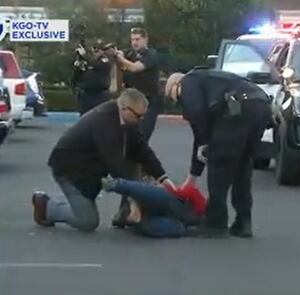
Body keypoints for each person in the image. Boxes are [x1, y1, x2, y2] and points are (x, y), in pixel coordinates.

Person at [31, 88, 175, 232]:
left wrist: (163, 178)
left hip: (92, 168)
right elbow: (116, 166)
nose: (141, 120)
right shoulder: (104, 121)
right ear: (125, 109)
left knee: (135, 165)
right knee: (87, 221)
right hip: (69, 170)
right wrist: (134, 200)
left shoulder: (127, 119)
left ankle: (124, 215)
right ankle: (46, 206)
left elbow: (142, 150)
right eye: (139, 116)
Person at [165, 69, 272, 238]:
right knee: (242, 166)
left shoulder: (188, 81)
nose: (180, 104)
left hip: (236, 109)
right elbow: (200, 138)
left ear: (175, 86)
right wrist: (194, 175)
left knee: (219, 164)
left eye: (177, 99)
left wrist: (206, 143)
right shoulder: (211, 79)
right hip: (261, 104)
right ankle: (243, 221)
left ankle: (216, 222)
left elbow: (197, 116)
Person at [101, 175, 207, 238]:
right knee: (171, 228)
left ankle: (118, 185)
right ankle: (138, 220)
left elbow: (189, 192)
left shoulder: (202, 204)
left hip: (174, 206)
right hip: (179, 217)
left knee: (159, 197)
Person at [115, 27, 161, 142]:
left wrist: (120, 58)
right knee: (128, 135)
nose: (134, 42)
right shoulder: (131, 53)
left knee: (142, 135)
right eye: (132, 40)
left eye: (137, 39)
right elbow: (121, 53)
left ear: (145, 40)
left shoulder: (150, 55)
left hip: (148, 101)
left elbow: (135, 68)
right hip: (132, 101)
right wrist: (117, 53)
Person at [72, 41, 112, 116]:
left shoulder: (104, 61)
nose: (95, 53)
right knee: (84, 118)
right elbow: (76, 77)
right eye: (94, 51)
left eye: (97, 51)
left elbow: (97, 65)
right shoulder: (87, 61)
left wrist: (85, 56)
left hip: (99, 95)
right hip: (86, 95)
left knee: (100, 117)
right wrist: (77, 67)